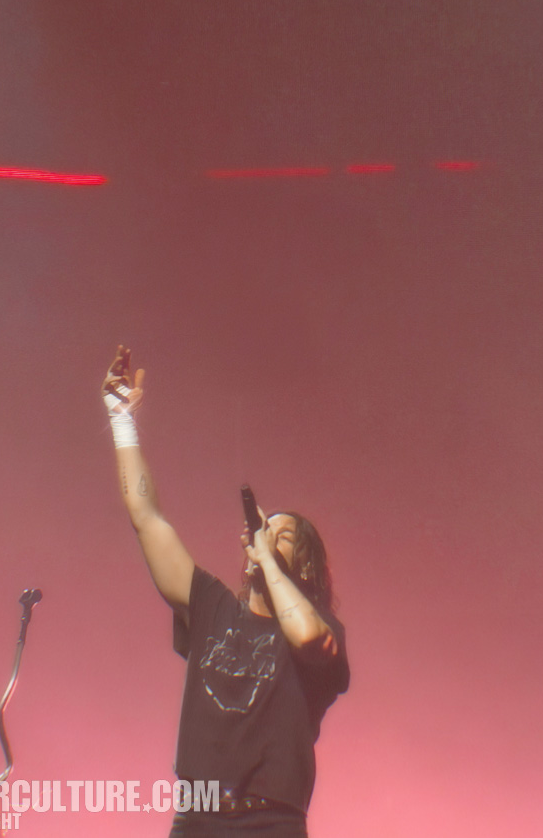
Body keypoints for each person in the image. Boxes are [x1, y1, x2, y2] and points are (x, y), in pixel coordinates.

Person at [102, 346, 349, 837]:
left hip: (271, 822)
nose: (263, 534)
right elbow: (146, 518)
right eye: (261, 528)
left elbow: (308, 639)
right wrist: (121, 420)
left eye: (282, 534)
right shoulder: (212, 606)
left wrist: (267, 556)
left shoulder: (322, 631)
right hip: (198, 819)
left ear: (304, 563)